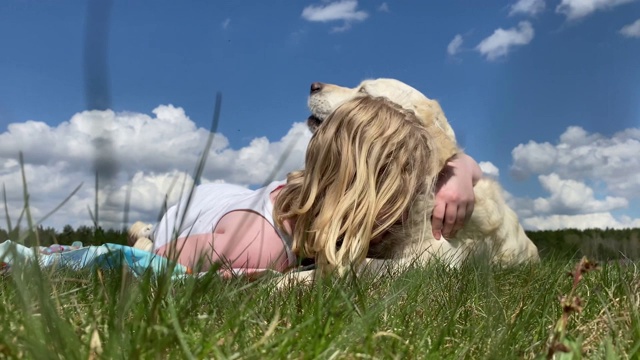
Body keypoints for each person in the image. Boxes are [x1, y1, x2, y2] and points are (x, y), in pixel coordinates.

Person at [152, 95, 482, 274]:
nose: (407, 217)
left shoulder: (325, 199)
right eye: (400, 204)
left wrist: (460, 173)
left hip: (246, 197)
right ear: (360, 195)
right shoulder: (262, 246)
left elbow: (472, 171)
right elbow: (162, 257)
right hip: (187, 212)